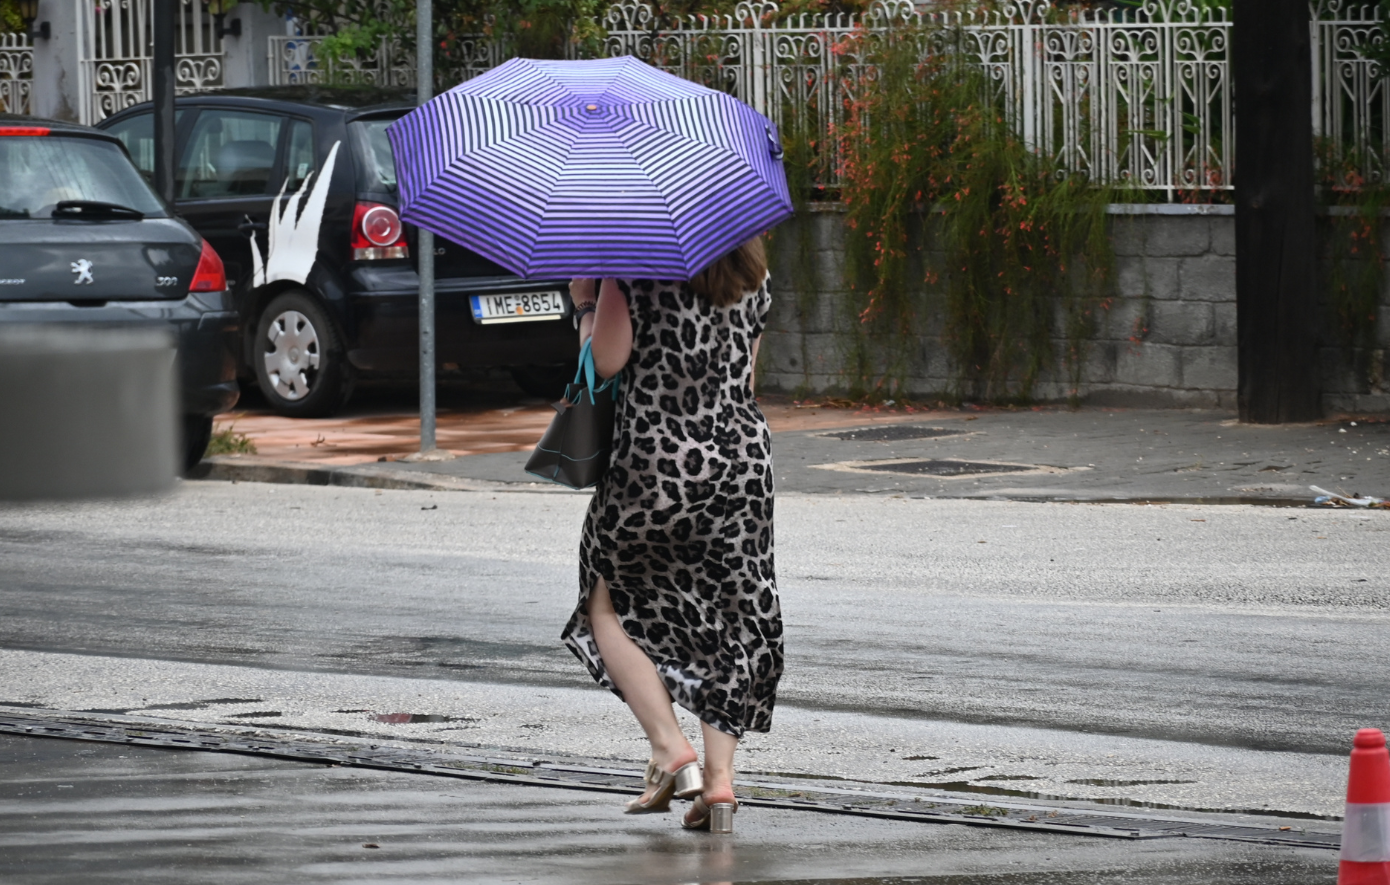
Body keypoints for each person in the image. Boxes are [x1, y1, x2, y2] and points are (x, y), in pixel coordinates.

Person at [560, 237, 784, 835]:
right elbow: (746, 373)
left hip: (657, 461)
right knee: (731, 613)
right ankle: (720, 784)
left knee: (605, 595)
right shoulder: (755, 274)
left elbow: (605, 361)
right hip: (742, 461)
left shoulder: (631, 268)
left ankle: (669, 747)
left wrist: (586, 303)